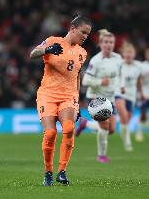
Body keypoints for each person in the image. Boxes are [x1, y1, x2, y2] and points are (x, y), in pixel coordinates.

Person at [30, 14, 92, 186]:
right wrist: (46, 50)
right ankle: (48, 172)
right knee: (50, 133)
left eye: (88, 34)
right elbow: (32, 54)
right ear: (73, 28)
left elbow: (77, 76)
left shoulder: (82, 52)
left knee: (70, 128)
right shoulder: (52, 40)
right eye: (83, 32)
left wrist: (77, 101)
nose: (85, 36)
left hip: (69, 95)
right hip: (48, 94)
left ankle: (62, 172)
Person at [76, 29, 124, 163]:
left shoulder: (118, 59)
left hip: (111, 97)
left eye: (111, 42)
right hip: (96, 97)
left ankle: (85, 123)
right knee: (104, 127)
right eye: (106, 42)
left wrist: (121, 86)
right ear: (100, 44)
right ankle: (101, 155)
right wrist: (100, 82)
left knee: (112, 129)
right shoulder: (96, 61)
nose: (109, 44)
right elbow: (85, 81)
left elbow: (120, 75)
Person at [115, 42, 144, 151]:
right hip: (119, 94)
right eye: (126, 52)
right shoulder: (118, 64)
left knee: (126, 120)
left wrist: (142, 93)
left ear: (134, 54)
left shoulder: (139, 66)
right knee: (124, 115)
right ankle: (127, 141)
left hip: (132, 96)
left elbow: (140, 80)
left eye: (131, 52)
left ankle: (125, 139)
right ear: (123, 53)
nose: (128, 54)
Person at [135, 47, 149, 142]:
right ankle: (139, 131)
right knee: (143, 114)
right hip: (145, 92)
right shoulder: (142, 66)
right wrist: (141, 92)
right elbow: (138, 80)